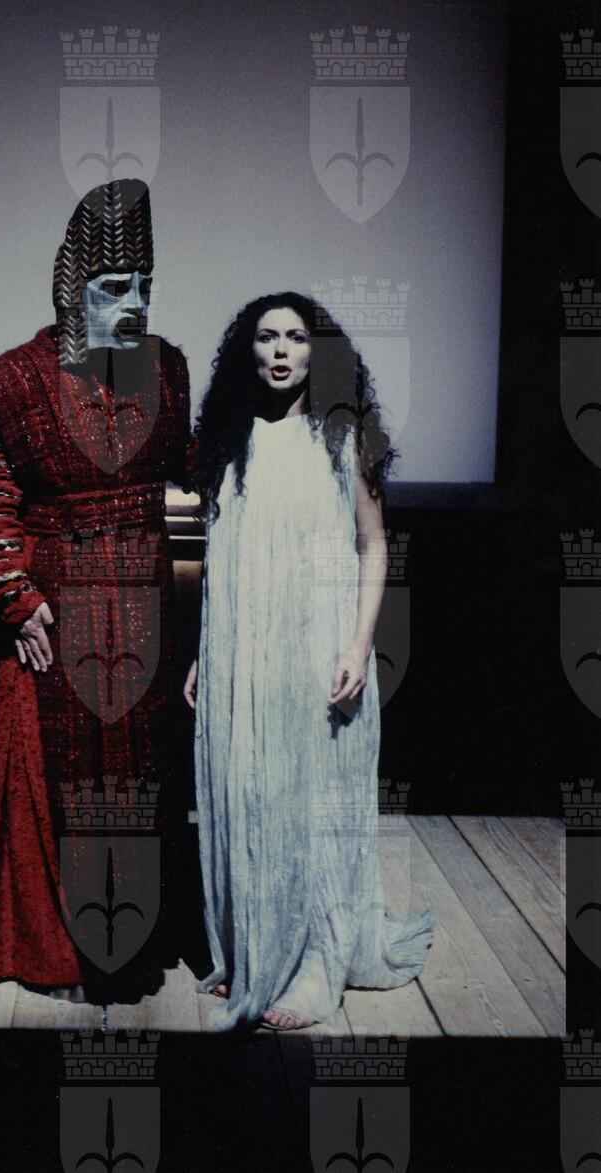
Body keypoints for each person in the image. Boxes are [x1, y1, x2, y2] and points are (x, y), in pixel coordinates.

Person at [0, 178, 194, 1004]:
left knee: (141, 771)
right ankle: (60, 943)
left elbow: (198, 466)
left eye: (144, 285)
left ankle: (141, 932)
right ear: (73, 289)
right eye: (112, 287)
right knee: (59, 770)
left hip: (143, 599)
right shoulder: (17, 381)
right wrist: (16, 593)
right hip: (59, 602)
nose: (132, 305)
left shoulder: (166, 368)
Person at [184, 292, 434, 1030]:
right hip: (241, 654)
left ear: (317, 351)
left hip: (319, 650)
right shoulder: (228, 441)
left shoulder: (342, 437)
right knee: (248, 796)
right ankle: (253, 954)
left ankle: (316, 967)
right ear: (248, 350)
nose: (281, 351)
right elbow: (223, 558)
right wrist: (204, 651)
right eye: (267, 337)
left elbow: (373, 545)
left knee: (312, 804)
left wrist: (358, 644)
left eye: (296, 337)